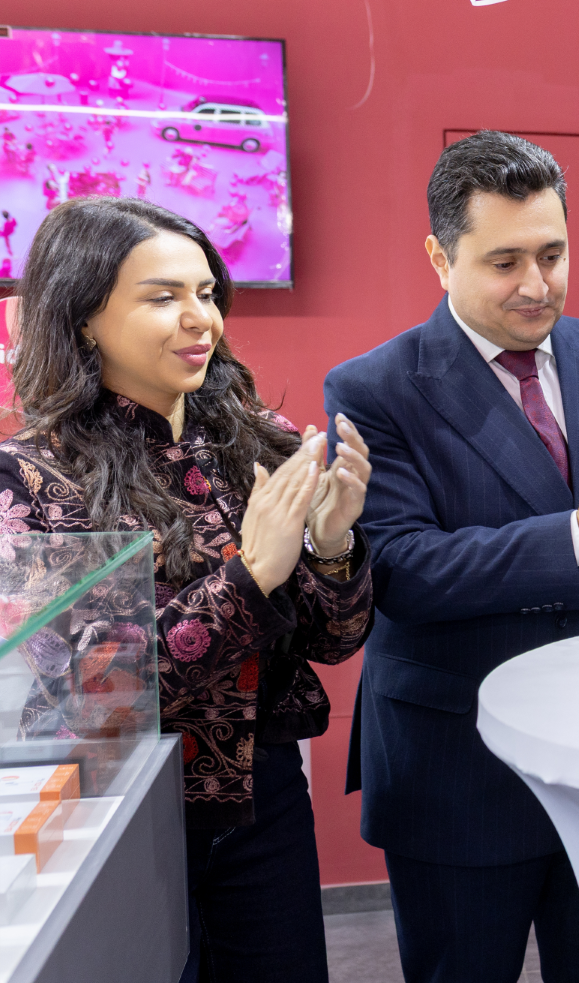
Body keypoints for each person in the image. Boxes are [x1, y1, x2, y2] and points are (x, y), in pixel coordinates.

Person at [325, 130, 579, 983]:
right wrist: (577, 533)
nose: (537, 285)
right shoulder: (374, 387)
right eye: (505, 262)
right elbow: (402, 571)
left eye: (553, 254)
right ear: (440, 258)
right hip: (455, 764)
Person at [0, 196, 374, 982]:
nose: (200, 318)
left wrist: (333, 545)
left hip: (265, 798)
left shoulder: (255, 441)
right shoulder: (28, 478)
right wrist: (253, 575)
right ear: (84, 317)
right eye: (162, 297)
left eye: (206, 293)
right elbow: (94, 697)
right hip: (123, 812)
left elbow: (335, 643)